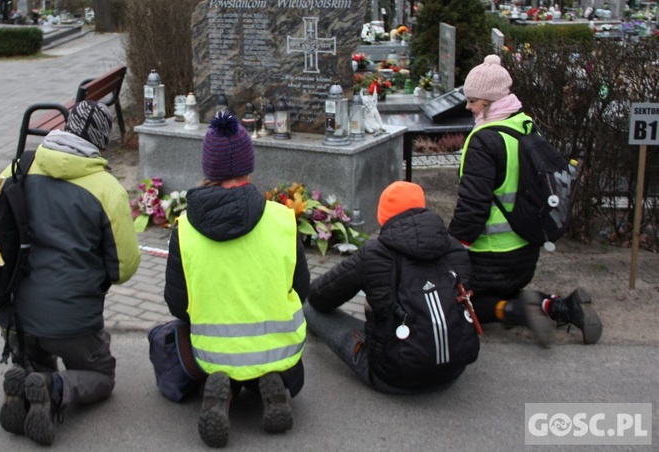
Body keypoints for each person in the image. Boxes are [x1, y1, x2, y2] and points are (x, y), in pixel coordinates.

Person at [0, 100, 141, 446]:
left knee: (35, 358)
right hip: (72, 319)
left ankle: (29, 377)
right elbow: (123, 268)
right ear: (101, 141)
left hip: (14, 313)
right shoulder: (107, 190)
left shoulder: (18, 167)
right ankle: (54, 387)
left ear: (63, 128)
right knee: (100, 376)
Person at [164, 110, 310, 448]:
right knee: (273, 360)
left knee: (214, 358)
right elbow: (301, 290)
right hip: (281, 347)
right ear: (249, 166)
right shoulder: (282, 219)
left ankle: (222, 390)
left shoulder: (184, 229)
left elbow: (177, 303)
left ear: (208, 169)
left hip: (211, 350)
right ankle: (270, 383)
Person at [448, 54, 602, 348]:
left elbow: (473, 207)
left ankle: (516, 311)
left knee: (457, 301)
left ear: (490, 102)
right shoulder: (525, 124)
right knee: (503, 291)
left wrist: (453, 249)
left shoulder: (483, 140)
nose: (468, 107)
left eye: (473, 101)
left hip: (489, 253)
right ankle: (562, 307)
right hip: (526, 248)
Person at [305, 181, 474, 394]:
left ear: (382, 216)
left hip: (392, 376)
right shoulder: (454, 247)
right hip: (453, 370)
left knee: (308, 308)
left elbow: (320, 297)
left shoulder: (375, 253)